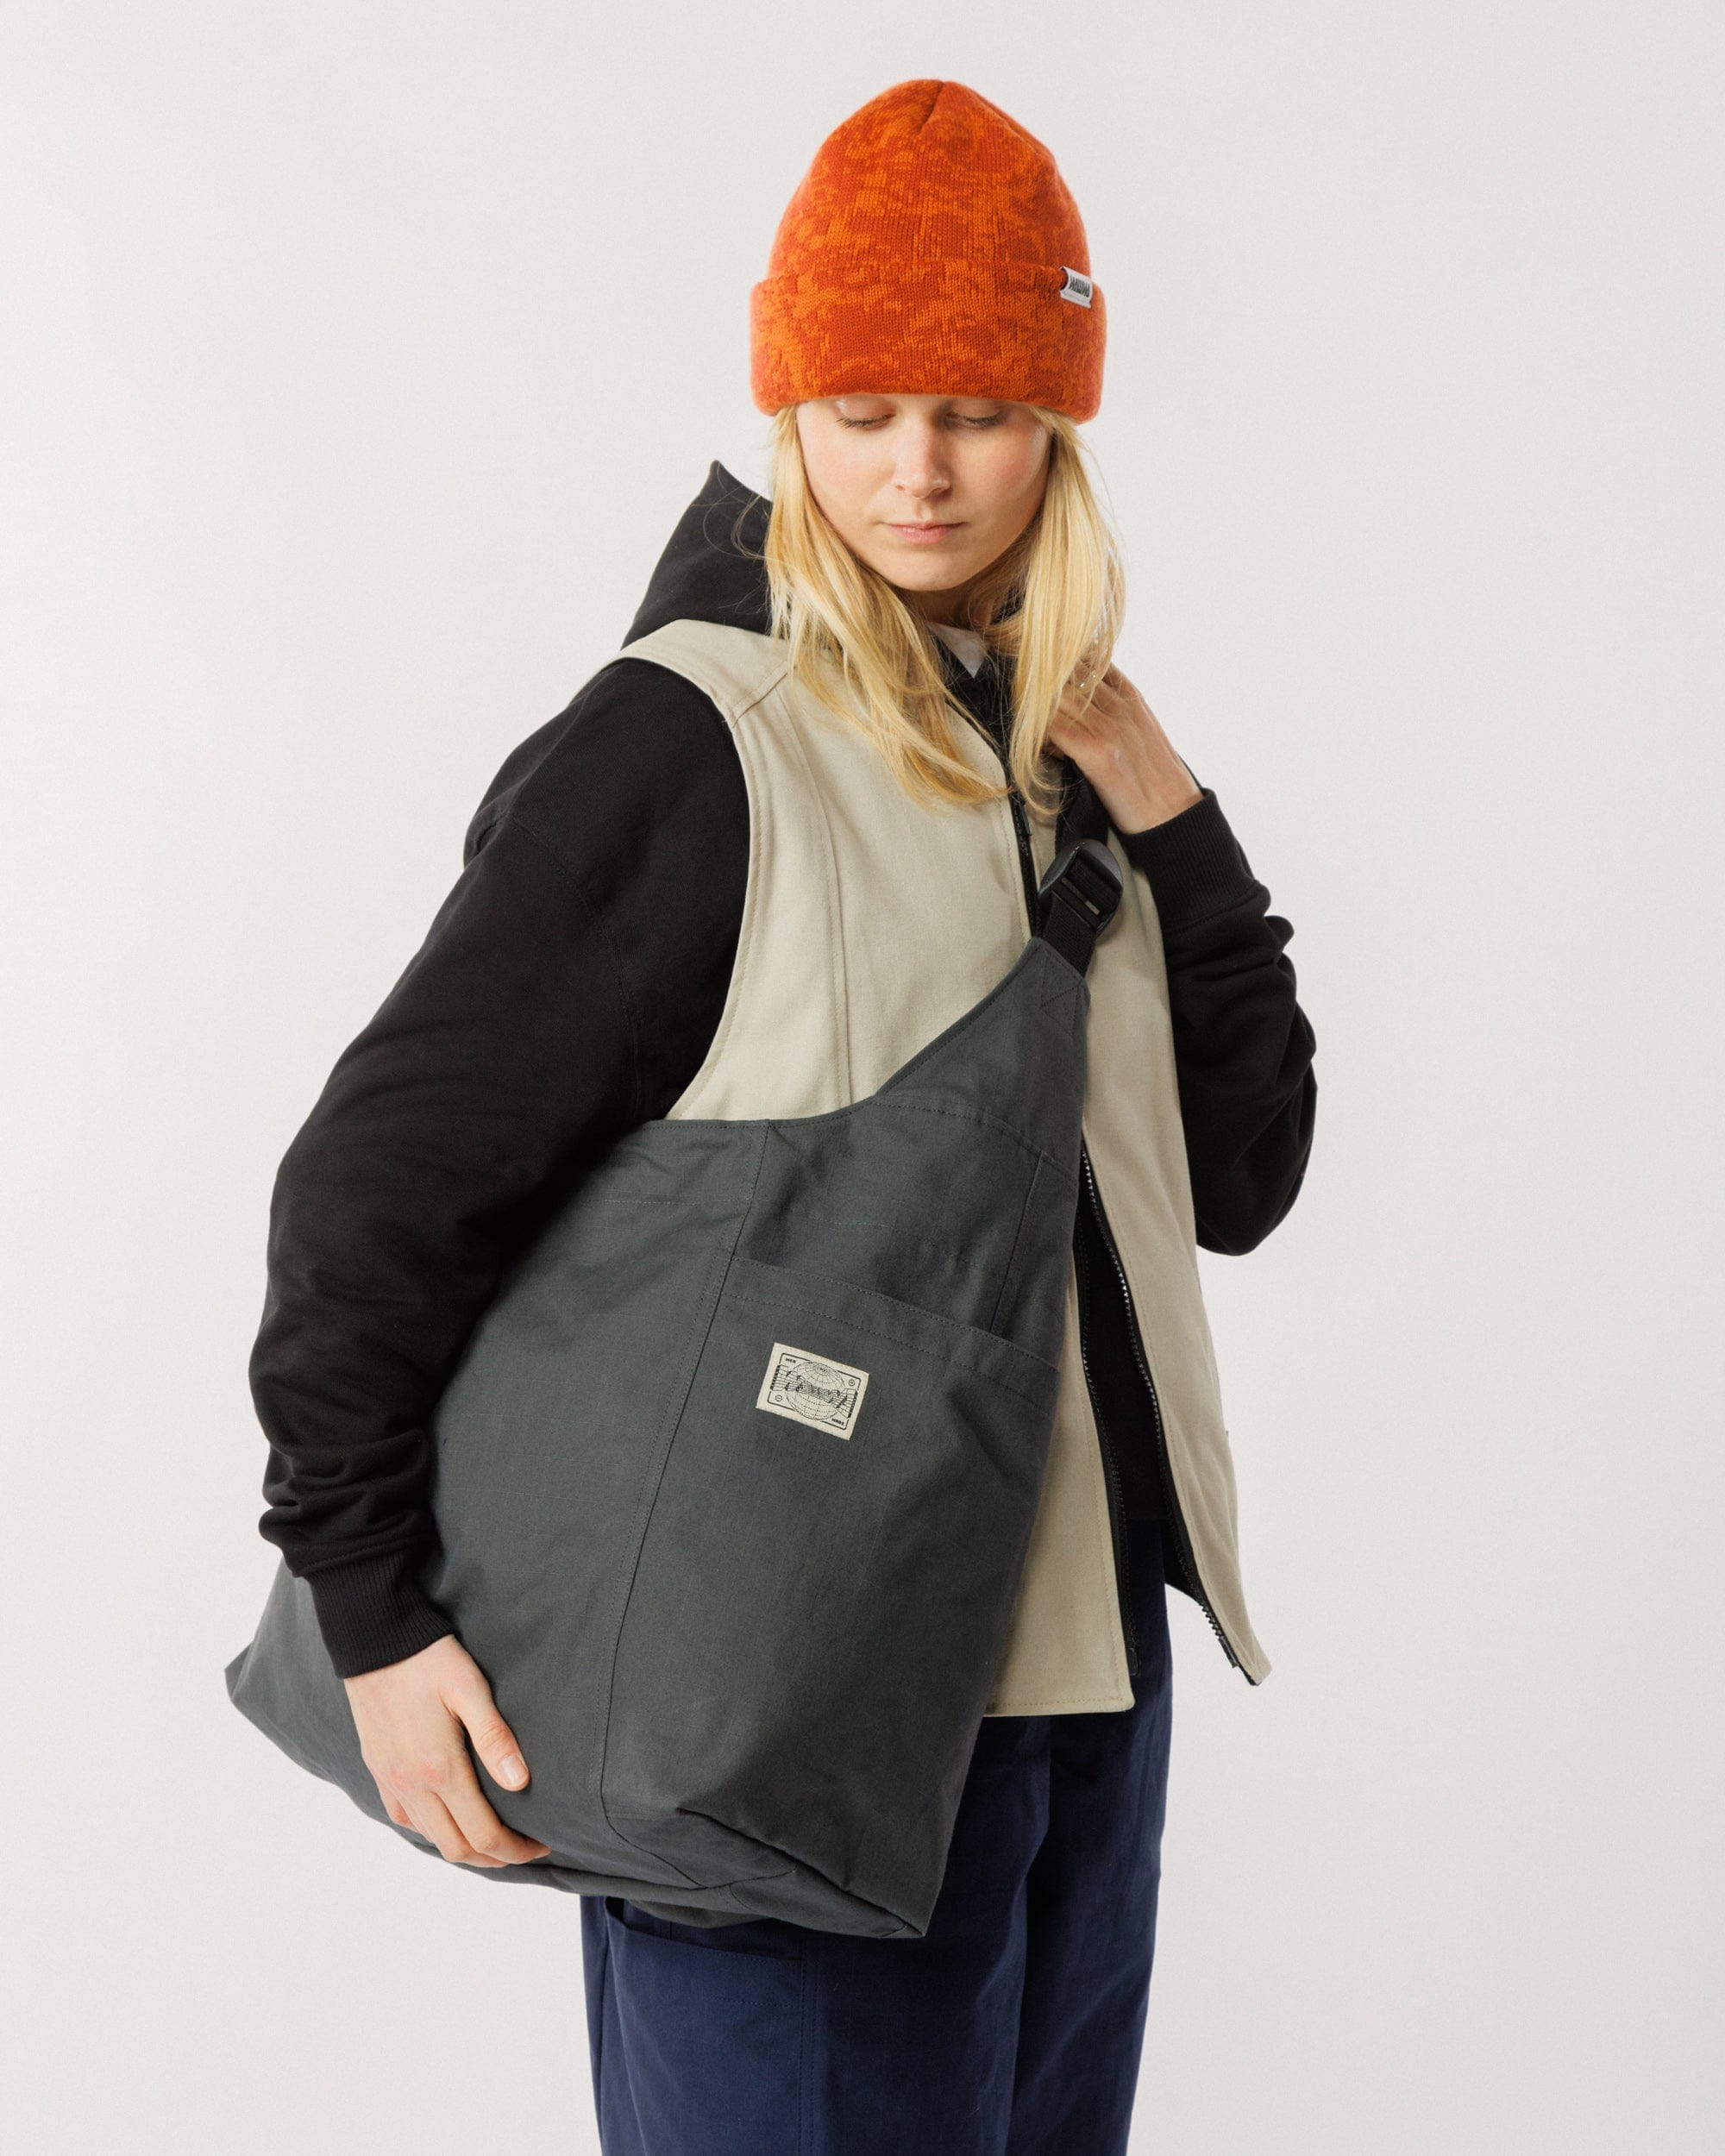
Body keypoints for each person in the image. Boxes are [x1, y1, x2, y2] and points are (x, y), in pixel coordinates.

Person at [247, 78, 1316, 2153]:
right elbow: (373, 1182)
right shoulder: (693, 738)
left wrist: (1175, 823)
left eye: (979, 409)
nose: (920, 467)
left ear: (1057, 421)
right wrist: (369, 1607)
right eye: (863, 406)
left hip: (1079, 1701)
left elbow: (1244, 1176)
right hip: (783, 1696)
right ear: (789, 412)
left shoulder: (1056, 752)